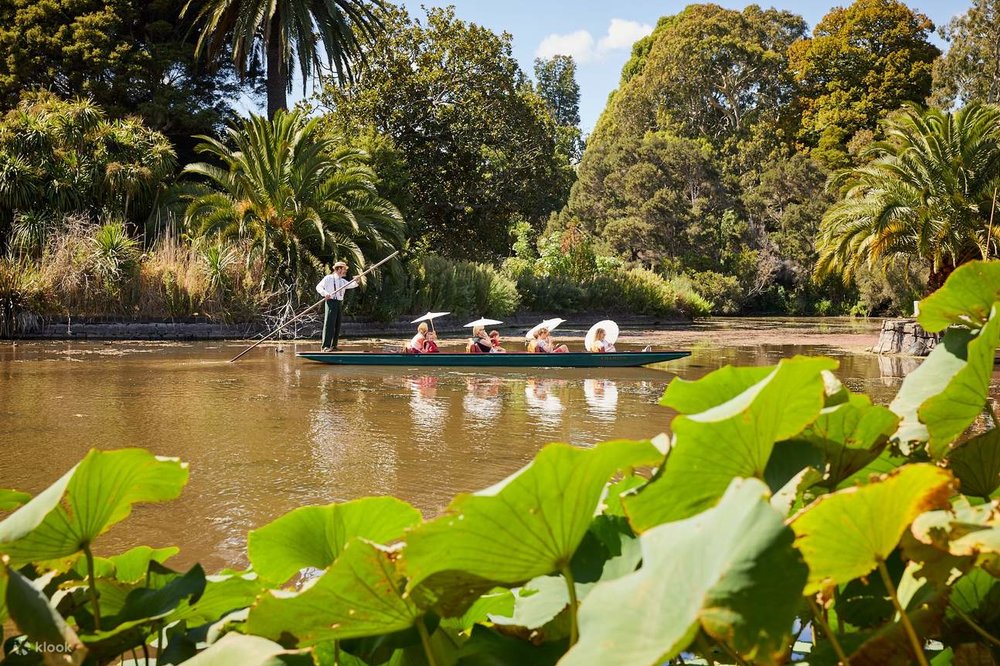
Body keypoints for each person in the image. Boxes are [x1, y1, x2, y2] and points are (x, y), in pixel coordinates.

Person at [315, 261, 358, 351]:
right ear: (338, 269)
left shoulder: (342, 281)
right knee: (329, 324)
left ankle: (333, 346)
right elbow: (318, 287)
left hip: (338, 303)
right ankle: (326, 346)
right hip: (331, 302)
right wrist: (325, 293)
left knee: (337, 324)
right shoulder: (328, 278)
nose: (345, 271)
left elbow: (351, 285)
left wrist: (357, 280)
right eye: (344, 269)